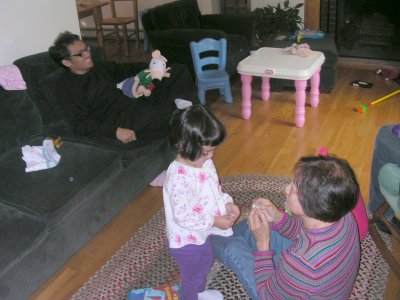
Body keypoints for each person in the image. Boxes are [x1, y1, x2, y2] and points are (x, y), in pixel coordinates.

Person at [213, 155, 361, 300]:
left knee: (229, 245)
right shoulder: (341, 212)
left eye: (293, 188)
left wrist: (263, 244)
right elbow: (302, 231)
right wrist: (278, 217)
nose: (286, 188)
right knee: (259, 224)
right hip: (322, 281)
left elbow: (266, 296)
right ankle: (235, 234)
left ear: (310, 206)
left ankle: (215, 238)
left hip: (300, 278)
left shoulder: (302, 263)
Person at [48, 31, 196, 143]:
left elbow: (125, 69)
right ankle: (187, 120)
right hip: (119, 120)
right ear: (66, 62)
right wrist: (115, 132)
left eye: (86, 48)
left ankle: (185, 109)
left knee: (176, 70)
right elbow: (80, 124)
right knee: (168, 118)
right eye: (81, 53)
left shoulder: (98, 67)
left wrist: (153, 68)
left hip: (133, 102)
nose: (87, 54)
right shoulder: (65, 87)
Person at [163, 105, 240, 300]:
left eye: (212, 150)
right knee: (192, 274)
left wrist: (227, 204)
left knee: (206, 260)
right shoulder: (178, 178)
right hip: (185, 240)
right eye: (206, 152)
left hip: (202, 231)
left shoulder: (204, 162)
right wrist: (214, 221)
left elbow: (214, 189)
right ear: (182, 145)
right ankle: (192, 295)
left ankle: (200, 292)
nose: (211, 156)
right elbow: (184, 217)